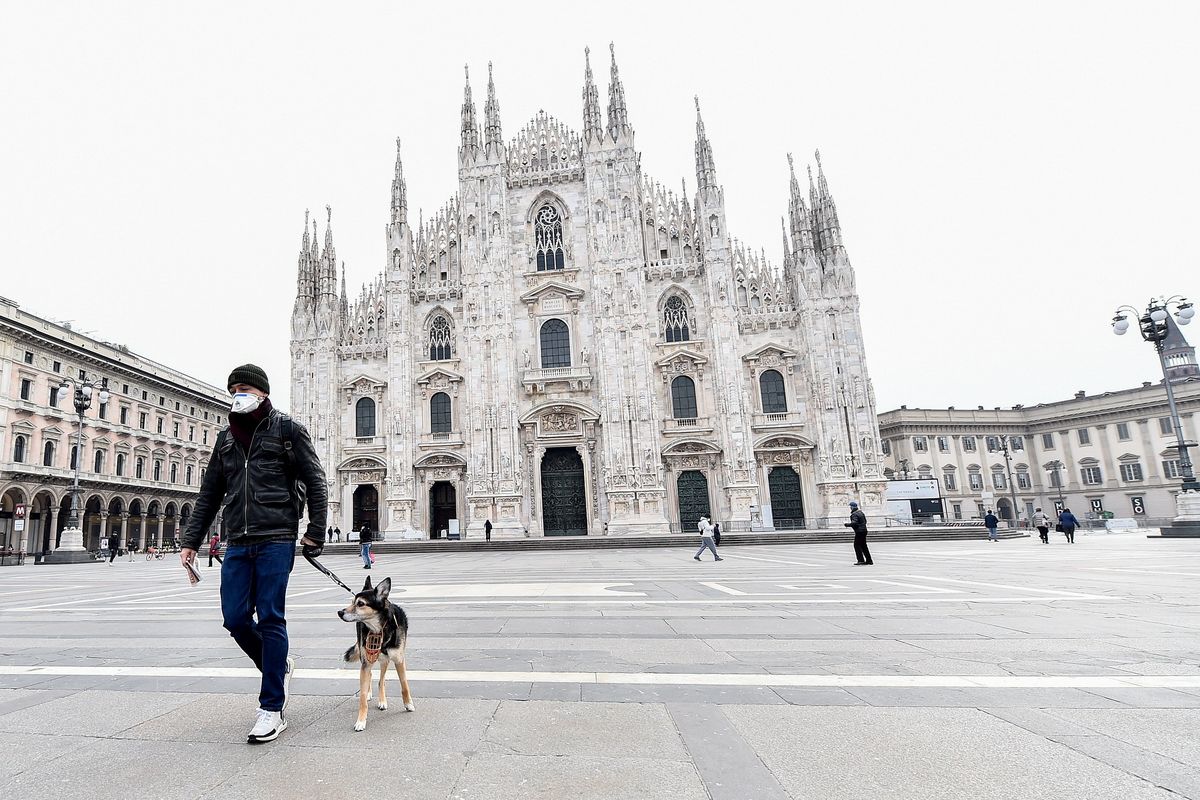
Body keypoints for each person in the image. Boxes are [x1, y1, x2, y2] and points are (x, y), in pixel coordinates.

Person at [179, 364, 327, 744]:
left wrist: (314, 532)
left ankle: (271, 708)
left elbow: (315, 480)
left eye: (244, 388)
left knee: (271, 615)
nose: (237, 395)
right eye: (233, 389)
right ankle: (277, 665)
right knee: (235, 619)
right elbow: (210, 492)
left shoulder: (287, 429)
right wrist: (191, 540)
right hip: (238, 540)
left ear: (262, 392)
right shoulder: (226, 438)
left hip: (277, 536)